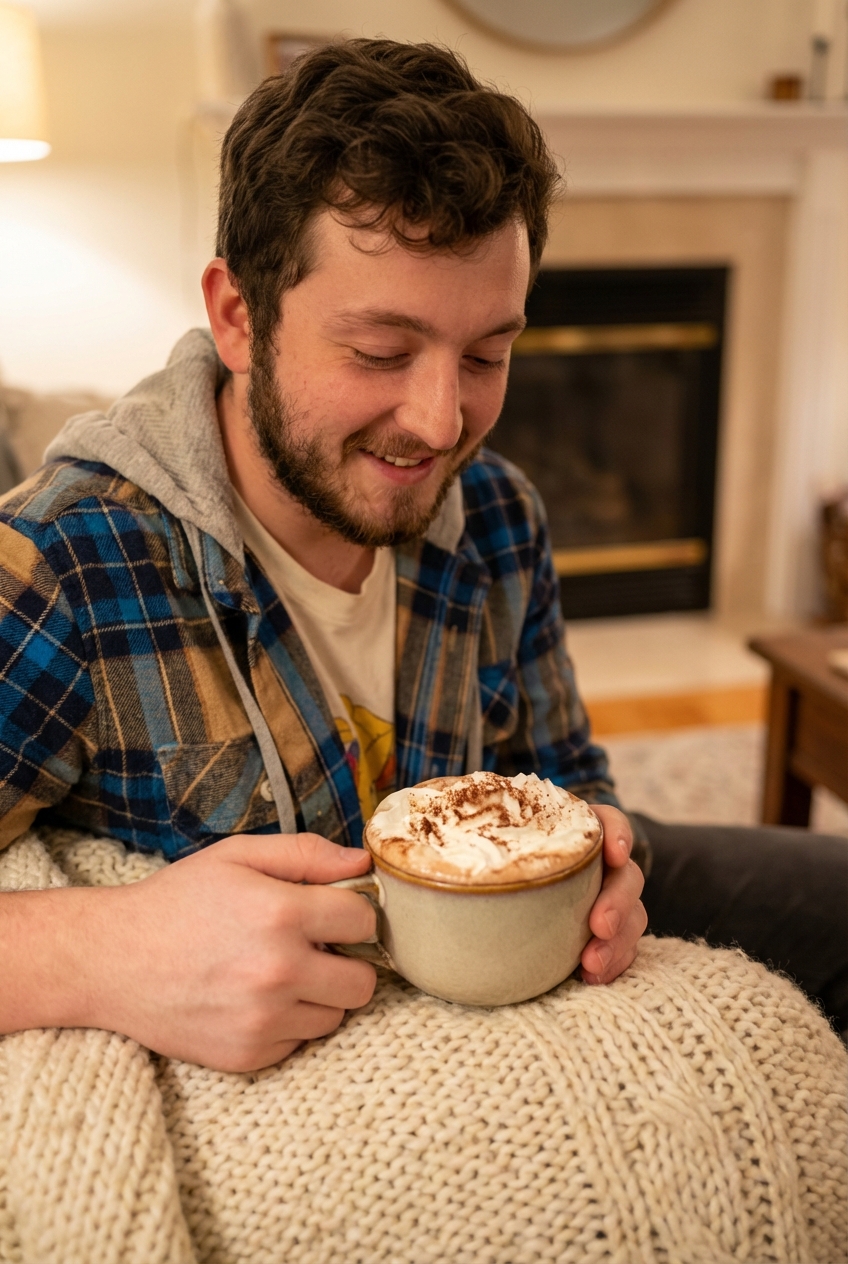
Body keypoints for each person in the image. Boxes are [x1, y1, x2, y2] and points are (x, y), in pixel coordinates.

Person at [0, 42, 843, 1073]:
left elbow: (570, 779)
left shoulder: (495, 513)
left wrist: (611, 871)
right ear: (237, 316)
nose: (441, 422)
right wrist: (99, 949)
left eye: (487, 354)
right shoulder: (65, 562)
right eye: (381, 353)